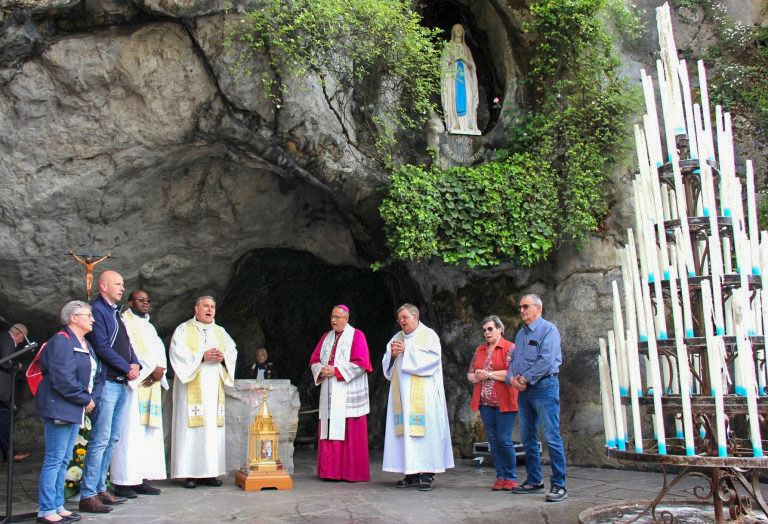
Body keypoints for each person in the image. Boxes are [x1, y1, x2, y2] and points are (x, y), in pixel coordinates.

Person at [80, 270, 140, 514]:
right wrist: (127, 367)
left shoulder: (115, 312)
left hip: (121, 382)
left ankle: (100, 488)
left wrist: (135, 364)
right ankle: (88, 494)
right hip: (107, 383)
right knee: (100, 439)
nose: (122, 288)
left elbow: (127, 344)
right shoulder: (98, 311)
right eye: (118, 284)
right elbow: (102, 346)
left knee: (112, 438)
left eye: (123, 284)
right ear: (103, 285)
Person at [36, 301, 102, 522]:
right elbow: (62, 378)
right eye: (88, 315)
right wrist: (85, 399)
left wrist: (89, 398)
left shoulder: (84, 343)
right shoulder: (61, 341)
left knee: (64, 459)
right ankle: (46, 510)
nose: (92, 319)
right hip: (61, 406)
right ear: (73, 317)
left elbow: (94, 373)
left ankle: (57, 505)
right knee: (54, 459)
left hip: (73, 407)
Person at [382, 304, 454, 491]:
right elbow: (387, 368)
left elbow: (432, 360)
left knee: (426, 434)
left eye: (405, 317)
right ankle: (411, 473)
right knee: (405, 433)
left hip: (425, 397)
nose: (402, 321)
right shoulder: (396, 338)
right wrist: (392, 355)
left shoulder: (429, 335)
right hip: (401, 397)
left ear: (415, 316)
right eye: (399, 318)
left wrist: (407, 351)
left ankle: (427, 474)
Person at [170, 296, 237, 489]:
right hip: (191, 387)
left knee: (211, 431)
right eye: (206, 306)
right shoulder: (183, 329)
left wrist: (224, 357)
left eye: (213, 307)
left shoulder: (221, 332)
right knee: (192, 430)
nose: (210, 309)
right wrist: (202, 356)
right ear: (196, 309)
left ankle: (209, 472)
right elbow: (177, 354)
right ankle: (190, 473)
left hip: (213, 389)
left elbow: (233, 351)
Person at [507, 293, 567, 502]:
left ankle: (559, 485)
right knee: (528, 438)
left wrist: (523, 378)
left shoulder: (548, 330)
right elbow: (514, 360)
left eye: (525, 306)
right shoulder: (520, 335)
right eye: (520, 307)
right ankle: (535, 481)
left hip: (545, 387)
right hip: (524, 391)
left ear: (538, 308)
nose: (522, 310)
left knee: (551, 437)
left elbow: (547, 361)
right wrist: (512, 379)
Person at [110, 290, 167, 498]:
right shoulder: (124, 323)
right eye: (140, 300)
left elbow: (159, 350)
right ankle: (123, 481)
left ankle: (141, 478)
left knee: (146, 434)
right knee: (129, 433)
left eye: (148, 300)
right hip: (134, 384)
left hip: (151, 384)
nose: (145, 303)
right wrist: (151, 369)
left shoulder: (149, 326)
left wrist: (161, 369)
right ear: (130, 302)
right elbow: (128, 349)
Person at [309, 305, 372, 482]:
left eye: (338, 317)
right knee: (329, 428)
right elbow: (314, 360)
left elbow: (362, 363)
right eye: (332, 317)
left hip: (348, 391)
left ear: (346, 318)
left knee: (350, 429)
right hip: (330, 391)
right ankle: (330, 472)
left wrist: (336, 371)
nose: (334, 320)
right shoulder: (326, 337)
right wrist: (322, 370)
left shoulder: (357, 336)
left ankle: (351, 473)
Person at [467, 315, 518, 491]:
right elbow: (470, 373)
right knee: (493, 440)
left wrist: (488, 374)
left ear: (499, 329)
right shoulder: (480, 350)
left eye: (490, 329)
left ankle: (510, 477)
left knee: (504, 439)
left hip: (504, 401)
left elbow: (512, 373)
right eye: (484, 330)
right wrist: (476, 377)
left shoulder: (510, 348)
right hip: (485, 402)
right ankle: (500, 476)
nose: (486, 333)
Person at [440, 23, 481, 136]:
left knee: (469, 98)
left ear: (463, 32)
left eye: (460, 29)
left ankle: (468, 125)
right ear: (453, 32)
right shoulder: (448, 47)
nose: (458, 31)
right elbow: (442, 64)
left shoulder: (466, 49)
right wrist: (453, 61)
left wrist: (463, 59)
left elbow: (472, 66)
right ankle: (456, 124)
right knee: (454, 98)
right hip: (453, 78)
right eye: (456, 29)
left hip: (466, 77)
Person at [0, 323, 31, 462]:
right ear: (18, 333)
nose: (21, 343)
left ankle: (7, 452)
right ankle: (9, 453)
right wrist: (15, 366)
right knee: (5, 420)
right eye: (22, 339)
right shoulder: (8, 339)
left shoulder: (2, 338)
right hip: (1, 391)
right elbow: (4, 361)